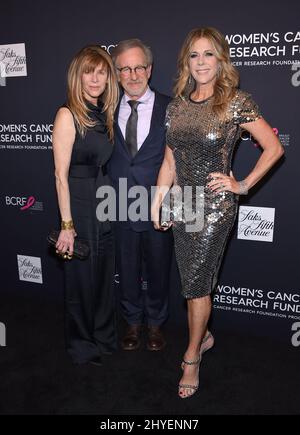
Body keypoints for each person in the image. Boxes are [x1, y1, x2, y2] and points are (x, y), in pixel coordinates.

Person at [151, 27, 284, 398]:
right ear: (186, 63)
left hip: (214, 207)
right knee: (193, 285)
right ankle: (204, 335)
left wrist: (241, 185)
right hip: (183, 203)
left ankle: (192, 356)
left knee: (195, 285)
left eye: (209, 54)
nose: (201, 62)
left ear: (221, 59)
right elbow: (169, 162)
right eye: (194, 55)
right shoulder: (176, 106)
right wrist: (156, 202)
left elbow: (273, 148)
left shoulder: (236, 101)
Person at [52, 45, 119, 366]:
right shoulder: (68, 114)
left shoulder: (103, 111)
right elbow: (60, 175)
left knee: (104, 276)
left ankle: (105, 337)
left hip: (103, 197)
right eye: (88, 72)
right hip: (78, 199)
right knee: (81, 278)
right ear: (77, 76)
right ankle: (81, 344)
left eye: (102, 72)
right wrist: (67, 224)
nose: (95, 79)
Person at [108, 39, 174, 351]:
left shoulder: (171, 106)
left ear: (148, 69)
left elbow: (179, 160)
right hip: (118, 201)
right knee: (127, 266)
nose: (133, 75)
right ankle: (132, 322)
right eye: (125, 69)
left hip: (159, 203)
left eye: (138, 67)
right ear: (117, 73)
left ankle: (157, 324)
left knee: (159, 267)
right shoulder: (105, 110)